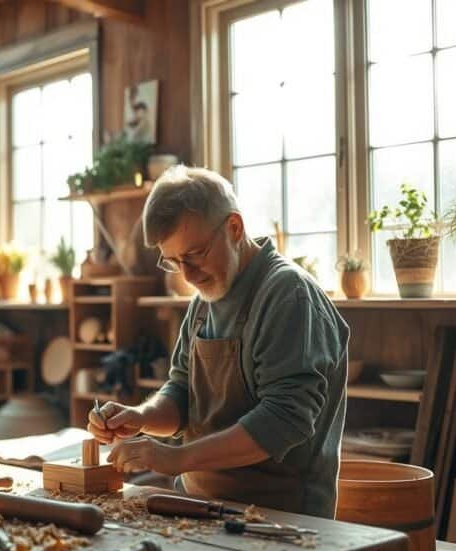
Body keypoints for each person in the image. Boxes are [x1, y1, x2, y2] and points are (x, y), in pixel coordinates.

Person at [88, 166, 349, 518]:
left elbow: (284, 421)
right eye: (174, 262)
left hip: (282, 519)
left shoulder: (288, 295)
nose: (188, 275)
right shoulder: (204, 300)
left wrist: (176, 458)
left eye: (195, 255)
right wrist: (141, 417)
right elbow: (182, 391)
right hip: (203, 508)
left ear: (234, 228)